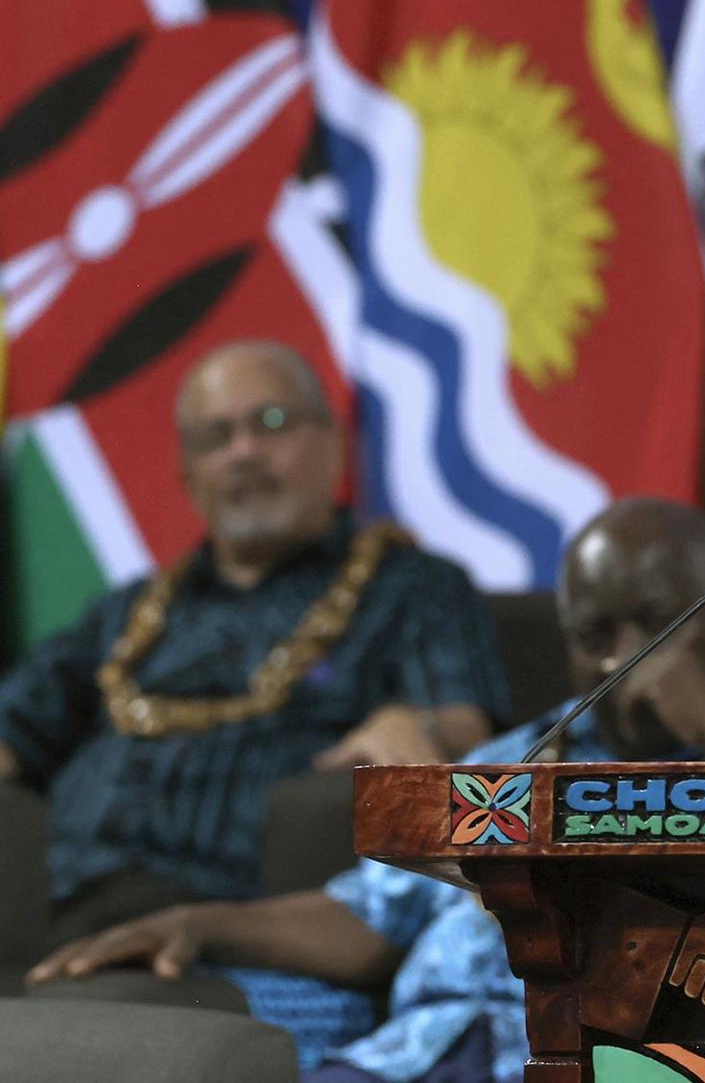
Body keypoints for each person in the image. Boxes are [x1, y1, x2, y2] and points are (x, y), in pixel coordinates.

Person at [24, 499, 705, 1083]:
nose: (621, 660)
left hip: (592, 1054)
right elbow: (368, 916)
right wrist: (195, 922)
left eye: (657, 623)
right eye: (594, 634)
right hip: (414, 1051)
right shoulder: (519, 756)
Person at [0, 340, 508, 943]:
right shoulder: (125, 613)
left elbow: (467, 737)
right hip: (61, 911)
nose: (243, 452)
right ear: (188, 478)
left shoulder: (412, 584)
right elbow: (15, 726)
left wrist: (413, 725)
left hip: (246, 921)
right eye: (216, 438)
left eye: (270, 423)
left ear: (332, 445)